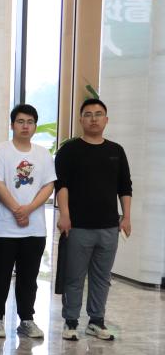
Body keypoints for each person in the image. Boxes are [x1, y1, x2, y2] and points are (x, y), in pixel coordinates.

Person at [55, 98, 132, 341]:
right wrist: (64, 215)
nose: (93, 119)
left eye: (98, 114)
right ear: (81, 120)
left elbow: (125, 186)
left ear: (106, 120)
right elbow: (61, 185)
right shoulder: (69, 150)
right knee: (74, 277)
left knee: (102, 278)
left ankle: (96, 321)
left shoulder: (116, 151)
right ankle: (70, 321)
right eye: (88, 114)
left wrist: (126, 217)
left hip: (109, 226)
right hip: (78, 226)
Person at [0, 104, 56, 339]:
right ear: (12, 124)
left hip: (34, 228)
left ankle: (26, 320)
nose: (25, 126)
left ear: (35, 126)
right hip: (4, 228)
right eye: (20, 121)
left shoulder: (42, 154)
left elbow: (48, 185)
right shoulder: (0, 151)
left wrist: (29, 209)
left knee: (29, 278)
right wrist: (17, 210)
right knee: (0, 276)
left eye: (30, 122)